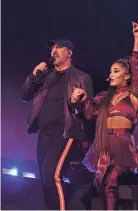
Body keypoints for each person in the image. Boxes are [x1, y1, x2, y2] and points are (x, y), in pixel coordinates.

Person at [70, 18, 138, 210]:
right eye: (110, 71)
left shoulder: (133, 94)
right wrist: (82, 98)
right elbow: (90, 111)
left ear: (127, 75)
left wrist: (137, 38)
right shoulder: (105, 96)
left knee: (111, 183)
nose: (111, 74)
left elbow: (136, 65)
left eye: (115, 71)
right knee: (103, 186)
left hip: (122, 145)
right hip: (103, 145)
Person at [20, 39, 93, 210]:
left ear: (69, 53)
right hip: (43, 133)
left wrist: (82, 100)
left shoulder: (82, 77)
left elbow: (90, 112)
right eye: (52, 47)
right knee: (44, 178)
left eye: (59, 47)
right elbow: (24, 95)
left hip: (65, 132)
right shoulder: (45, 76)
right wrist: (33, 76)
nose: (54, 50)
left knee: (51, 174)